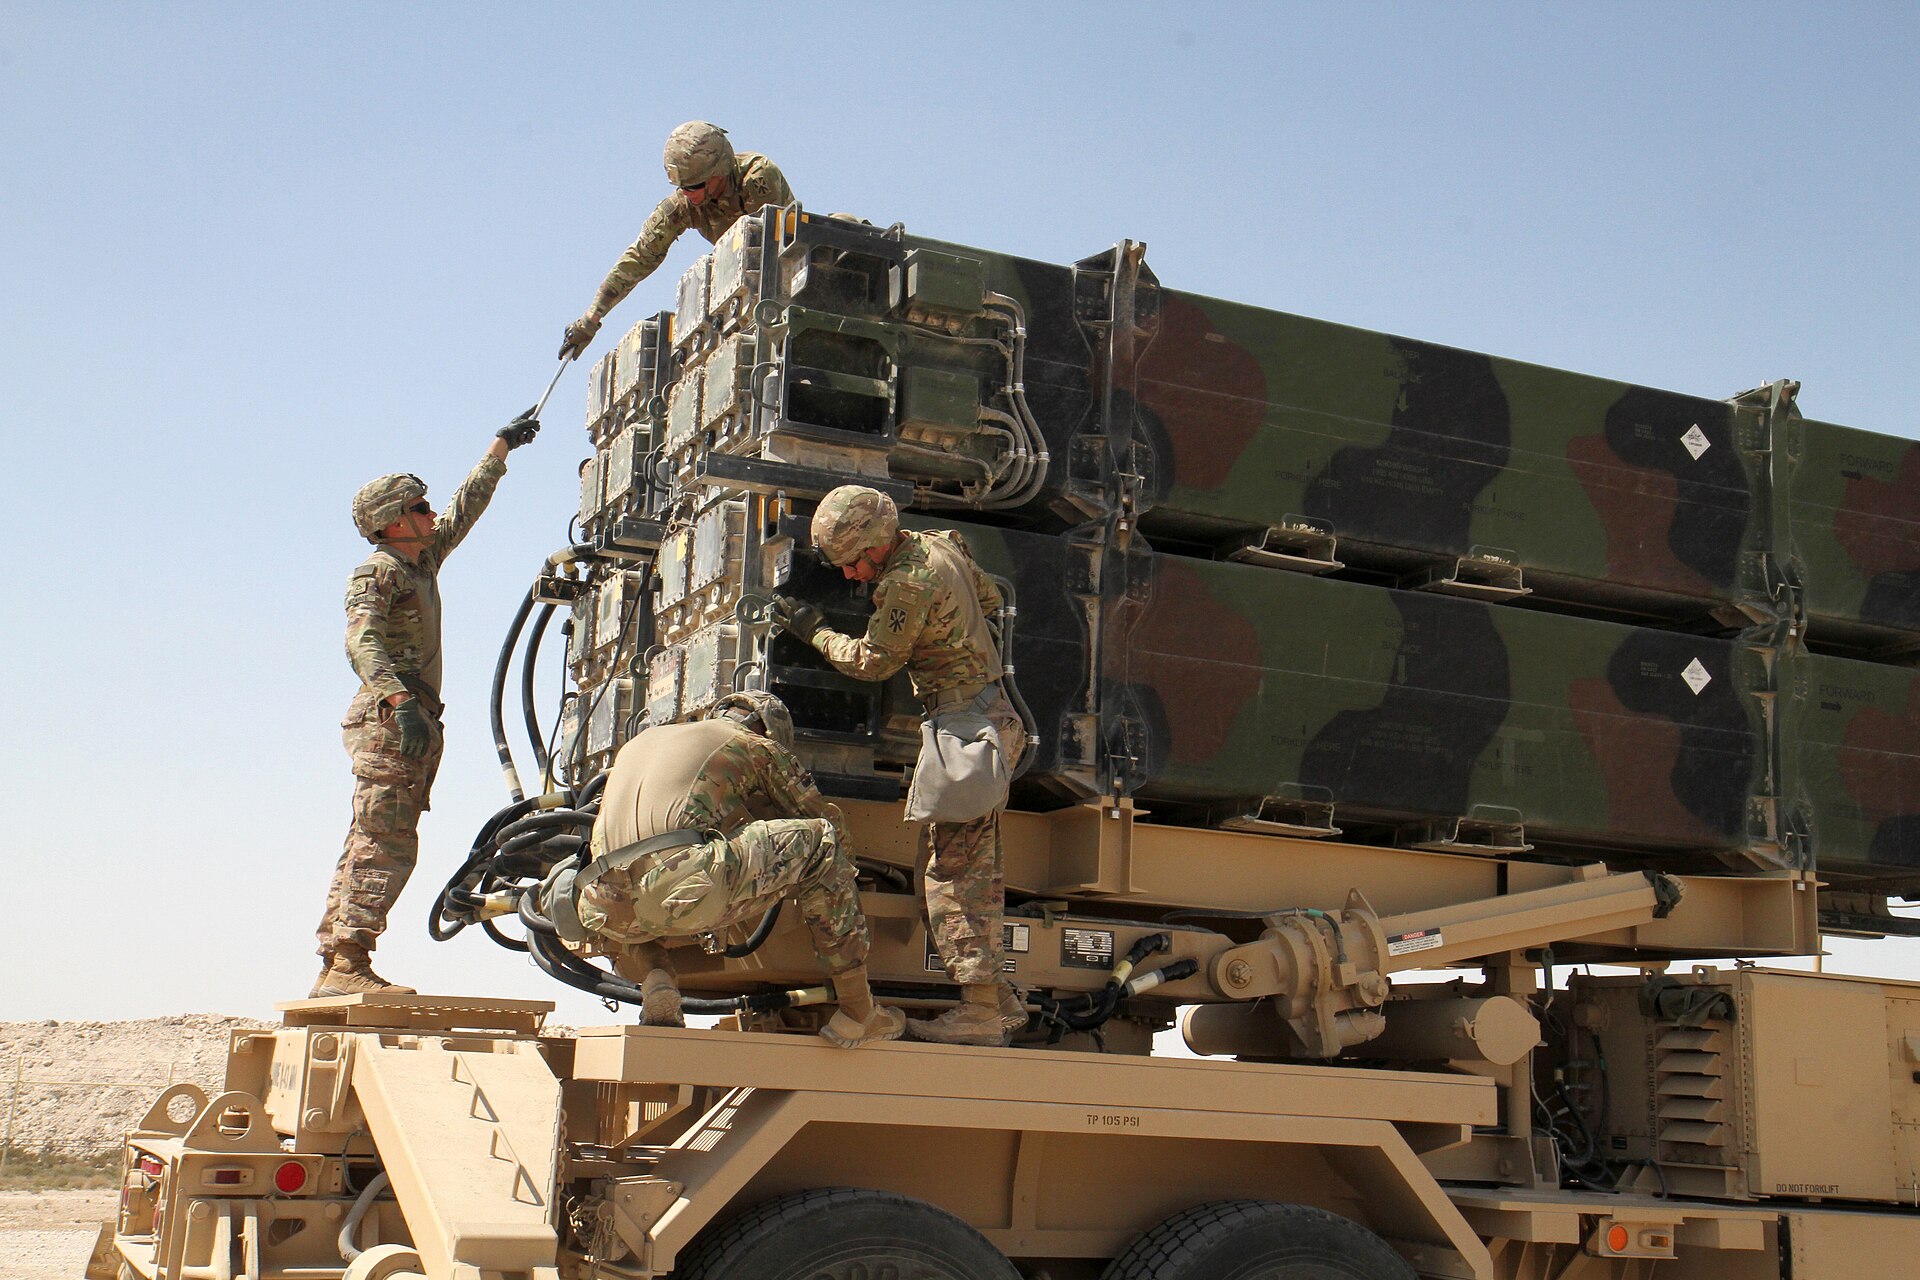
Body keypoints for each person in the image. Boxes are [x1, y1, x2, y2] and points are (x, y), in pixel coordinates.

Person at [769, 486, 1028, 1046]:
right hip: (978, 717)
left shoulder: (906, 583)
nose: (852, 578)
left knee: (957, 873)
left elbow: (872, 662)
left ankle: (981, 1012)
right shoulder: (941, 547)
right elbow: (984, 599)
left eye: (854, 563)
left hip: (965, 727)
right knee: (951, 861)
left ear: (878, 542)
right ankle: (999, 999)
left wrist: (814, 629)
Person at [310, 408, 541, 998]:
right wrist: (398, 700)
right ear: (393, 522)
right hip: (392, 716)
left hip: (409, 712)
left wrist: (500, 449)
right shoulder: (379, 571)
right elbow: (360, 638)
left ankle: (339, 959)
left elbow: (464, 509)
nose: (430, 513)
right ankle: (347, 965)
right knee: (385, 841)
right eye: (418, 508)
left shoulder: (421, 560)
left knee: (372, 836)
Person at [542, 691, 904, 1048]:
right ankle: (859, 1011)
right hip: (677, 891)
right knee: (822, 840)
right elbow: (818, 816)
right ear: (767, 729)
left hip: (602, 905)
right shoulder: (754, 744)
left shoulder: (641, 742)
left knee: (642, 880)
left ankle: (658, 979)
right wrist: (842, 882)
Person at [559, 122, 795, 361]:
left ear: (719, 171)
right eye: (682, 187)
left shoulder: (756, 179)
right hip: (744, 287)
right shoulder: (682, 205)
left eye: (694, 186)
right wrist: (591, 319)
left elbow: (769, 248)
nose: (687, 194)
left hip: (786, 274)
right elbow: (639, 258)